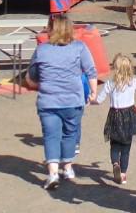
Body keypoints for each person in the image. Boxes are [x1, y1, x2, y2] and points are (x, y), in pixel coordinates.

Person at [27, 13, 97, 190]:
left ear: (52, 30)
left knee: (51, 136)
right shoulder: (79, 47)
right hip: (73, 99)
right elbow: (91, 71)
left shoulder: (41, 50)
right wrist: (94, 91)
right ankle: (67, 168)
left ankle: (52, 173)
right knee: (70, 134)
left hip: (48, 101)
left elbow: (32, 77)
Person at [97, 52, 136, 185]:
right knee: (126, 147)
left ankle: (115, 163)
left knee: (115, 145)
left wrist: (91, 100)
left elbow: (99, 100)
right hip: (129, 116)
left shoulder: (110, 84)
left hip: (114, 116)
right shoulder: (133, 82)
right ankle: (123, 174)